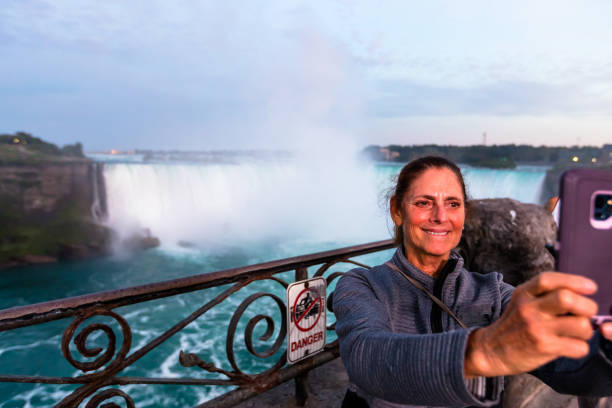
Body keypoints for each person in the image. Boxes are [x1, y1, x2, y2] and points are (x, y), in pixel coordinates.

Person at [333, 156, 612, 408]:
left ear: (464, 214)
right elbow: (366, 357)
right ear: (397, 210)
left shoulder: (493, 293)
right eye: (423, 203)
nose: (441, 217)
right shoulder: (362, 284)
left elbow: (569, 367)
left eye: (453, 204)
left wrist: (606, 350)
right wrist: (486, 351)